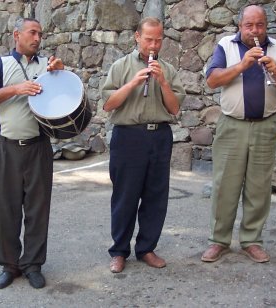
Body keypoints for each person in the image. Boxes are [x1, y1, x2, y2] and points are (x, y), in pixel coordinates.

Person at [201, 5, 276, 263]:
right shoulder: (226, 45)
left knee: (259, 186)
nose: (255, 31)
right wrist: (243, 65)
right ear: (240, 26)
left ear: (266, 25)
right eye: (249, 25)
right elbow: (212, 80)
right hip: (232, 125)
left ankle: (252, 240)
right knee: (225, 186)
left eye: (260, 25)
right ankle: (218, 241)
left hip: (266, 125)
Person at [0, 17, 64, 289]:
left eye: (40, 34)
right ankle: (9, 265)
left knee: (38, 209)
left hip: (39, 147)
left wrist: (62, 72)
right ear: (17, 34)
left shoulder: (49, 65)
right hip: (7, 147)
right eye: (32, 32)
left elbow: (63, 97)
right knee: (5, 209)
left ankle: (33, 264)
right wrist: (15, 89)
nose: (37, 38)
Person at [101, 17, 186, 273]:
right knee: (125, 196)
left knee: (155, 196)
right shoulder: (120, 66)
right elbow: (108, 105)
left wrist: (162, 82)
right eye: (148, 39)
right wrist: (133, 83)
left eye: (158, 40)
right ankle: (119, 251)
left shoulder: (168, 70)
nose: (153, 45)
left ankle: (147, 248)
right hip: (128, 136)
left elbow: (174, 109)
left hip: (159, 136)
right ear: (137, 37)